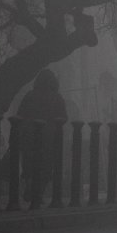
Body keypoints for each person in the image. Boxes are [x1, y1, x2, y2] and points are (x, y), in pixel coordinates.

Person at [14, 68, 70, 196]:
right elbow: (64, 118)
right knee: (46, 165)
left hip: (29, 136)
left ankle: (29, 184)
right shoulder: (57, 98)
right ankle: (39, 192)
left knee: (29, 163)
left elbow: (20, 115)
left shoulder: (29, 95)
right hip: (49, 139)